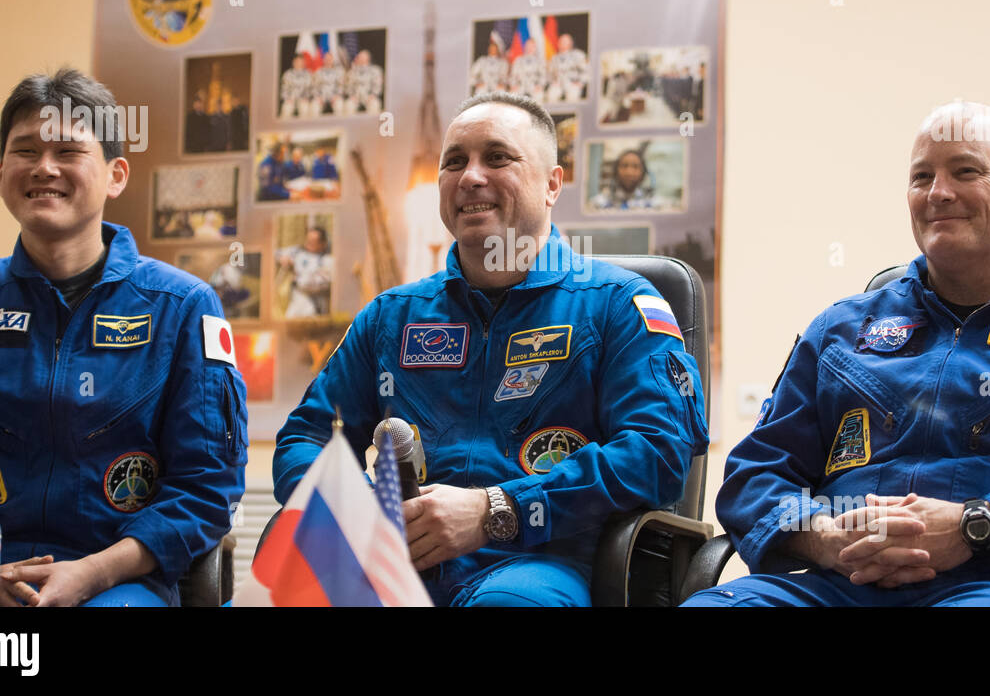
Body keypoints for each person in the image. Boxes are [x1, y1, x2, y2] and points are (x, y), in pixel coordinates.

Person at [684, 102, 990, 607]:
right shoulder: (840, 329)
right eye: (921, 177)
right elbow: (754, 474)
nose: (938, 193)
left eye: (965, 171)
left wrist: (979, 524)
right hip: (835, 585)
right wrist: (823, 537)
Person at [272, 91, 708, 606]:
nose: (470, 176)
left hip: (538, 562)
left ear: (552, 184)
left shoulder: (618, 304)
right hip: (389, 563)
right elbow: (305, 439)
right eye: (453, 162)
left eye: (497, 157)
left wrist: (497, 510)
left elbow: (656, 453)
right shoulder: (391, 317)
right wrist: (363, 511)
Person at [0, 68, 247, 606]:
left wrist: (94, 574)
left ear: (115, 174)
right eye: (25, 150)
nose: (44, 168)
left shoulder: (184, 308)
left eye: (68, 152)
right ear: (1, 170)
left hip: (118, 582)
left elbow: (206, 488)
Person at [276, 226, 333, 318]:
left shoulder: (328, 261)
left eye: (313, 241)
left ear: (323, 244)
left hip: (314, 308)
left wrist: (297, 275)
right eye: (308, 239)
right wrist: (283, 259)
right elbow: (275, 253)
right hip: (295, 304)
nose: (308, 243)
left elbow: (318, 283)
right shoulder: (298, 252)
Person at [592, 149, 660, 210]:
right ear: (616, 171)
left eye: (635, 167)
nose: (629, 172)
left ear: (643, 172)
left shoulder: (655, 204)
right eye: (624, 166)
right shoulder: (599, 203)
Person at [546, 34, 588, 103]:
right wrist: (553, 82)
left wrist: (581, 82)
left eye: (565, 41)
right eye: (561, 41)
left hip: (572, 83)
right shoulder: (554, 58)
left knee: (572, 96)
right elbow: (549, 74)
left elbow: (586, 71)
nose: (562, 43)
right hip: (559, 84)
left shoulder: (578, 55)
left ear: (570, 43)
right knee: (551, 95)